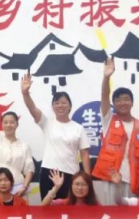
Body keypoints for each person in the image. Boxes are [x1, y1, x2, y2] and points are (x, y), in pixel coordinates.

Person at [21, 72, 90, 201]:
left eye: (64, 103)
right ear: (53, 107)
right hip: (49, 172)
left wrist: (87, 177)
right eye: (56, 103)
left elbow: (85, 154)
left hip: (71, 174)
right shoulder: (47, 123)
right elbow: (32, 109)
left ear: (70, 106)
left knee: (70, 209)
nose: (60, 105)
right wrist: (25, 93)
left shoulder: (78, 128)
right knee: (48, 209)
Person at [93, 58, 139, 205]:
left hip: (134, 179)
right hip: (111, 178)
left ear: (132, 103)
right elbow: (104, 96)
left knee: (131, 215)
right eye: (118, 100)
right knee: (112, 213)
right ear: (113, 104)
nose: (122, 102)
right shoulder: (108, 121)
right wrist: (106, 77)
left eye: (126, 99)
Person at [0, 87, 34, 198]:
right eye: (5, 122)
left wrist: (24, 187)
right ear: (2, 125)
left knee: (15, 210)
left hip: (17, 188)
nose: (9, 125)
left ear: (17, 124)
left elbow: (29, 169)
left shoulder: (24, 146)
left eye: (12, 122)